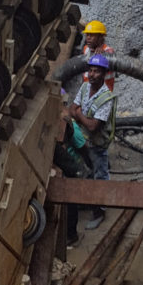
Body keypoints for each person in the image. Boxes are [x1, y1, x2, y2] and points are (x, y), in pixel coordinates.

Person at [71, 53, 116, 230]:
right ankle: (88, 201)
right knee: (86, 172)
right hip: (82, 142)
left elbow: (92, 126)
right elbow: (72, 108)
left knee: (100, 177)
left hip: (97, 145)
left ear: (104, 74)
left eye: (96, 71)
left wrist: (79, 114)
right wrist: (79, 114)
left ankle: (99, 211)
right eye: (90, 70)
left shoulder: (107, 98)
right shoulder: (84, 87)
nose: (92, 74)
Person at [54, 94, 90, 246]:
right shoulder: (68, 123)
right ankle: (71, 235)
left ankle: (69, 234)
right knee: (71, 201)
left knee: (70, 201)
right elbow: (83, 148)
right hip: (69, 167)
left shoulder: (63, 123)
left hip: (66, 166)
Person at [81, 19, 115, 92]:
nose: (88, 38)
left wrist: (103, 54)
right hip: (87, 92)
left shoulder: (108, 51)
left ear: (101, 37)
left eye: (92, 35)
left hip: (103, 95)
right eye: (87, 35)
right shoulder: (86, 49)